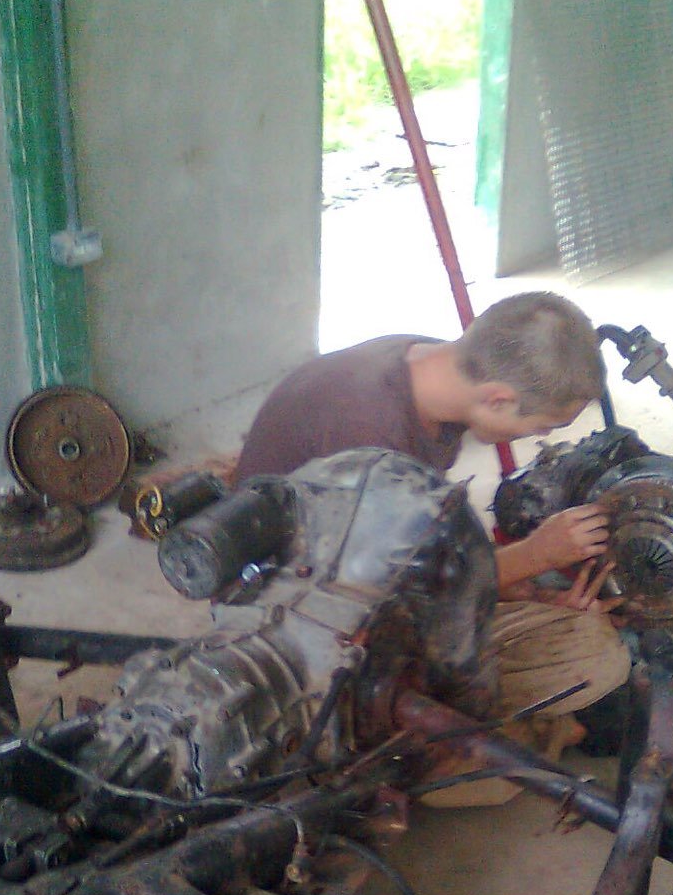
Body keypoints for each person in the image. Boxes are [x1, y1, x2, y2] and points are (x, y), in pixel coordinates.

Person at [234, 291, 631, 799]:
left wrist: (519, 587)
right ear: (498, 399)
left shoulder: (425, 366)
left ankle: (518, 736)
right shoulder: (373, 434)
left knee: (594, 644)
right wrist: (534, 556)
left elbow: (421, 544)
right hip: (295, 630)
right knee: (499, 780)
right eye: (541, 427)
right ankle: (523, 739)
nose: (540, 439)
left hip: (357, 573)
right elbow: (380, 601)